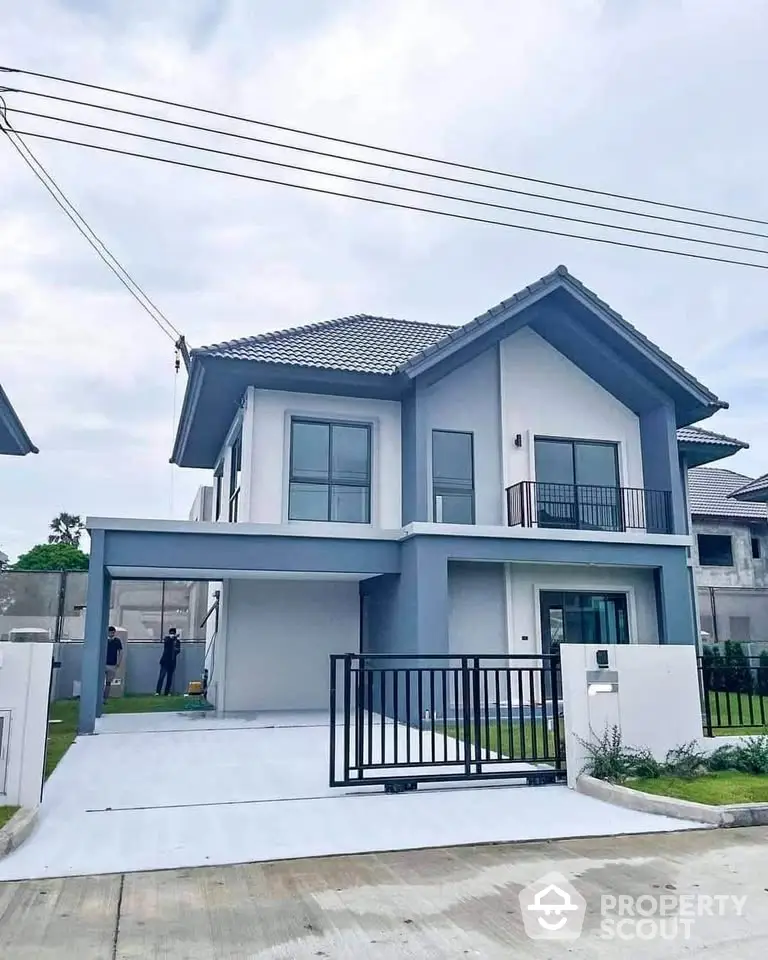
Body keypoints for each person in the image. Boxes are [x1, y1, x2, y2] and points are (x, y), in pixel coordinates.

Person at [156, 627, 181, 696]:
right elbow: (167, 643)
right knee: (161, 677)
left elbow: (178, 650)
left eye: (173, 633)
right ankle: (158, 691)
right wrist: (173, 638)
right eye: (171, 633)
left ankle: (166, 692)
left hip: (172, 662)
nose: (172, 634)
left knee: (169, 678)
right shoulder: (167, 639)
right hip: (165, 662)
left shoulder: (177, 641)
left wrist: (175, 650)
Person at [104, 626, 123, 703]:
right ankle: (100, 698)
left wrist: (119, 662)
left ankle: (105, 698)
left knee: (108, 682)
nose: (111, 634)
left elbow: (120, 652)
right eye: (110, 632)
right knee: (101, 682)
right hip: (104, 663)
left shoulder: (117, 641)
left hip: (112, 664)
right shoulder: (104, 640)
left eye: (112, 632)